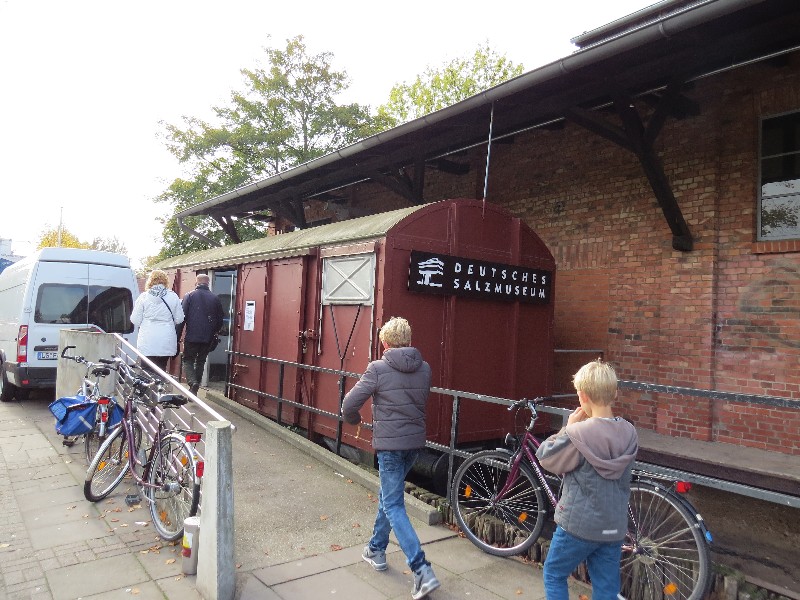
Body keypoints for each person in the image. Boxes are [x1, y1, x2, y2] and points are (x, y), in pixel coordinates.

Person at [342, 317, 441, 600]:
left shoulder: (377, 368)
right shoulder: (425, 369)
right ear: (409, 341)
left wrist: (354, 420)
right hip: (414, 445)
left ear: (385, 342)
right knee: (388, 497)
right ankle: (376, 549)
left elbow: (349, 403)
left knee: (394, 504)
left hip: (390, 447)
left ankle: (421, 569)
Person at [536, 359, 639, 600]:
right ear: (615, 393)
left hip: (577, 526)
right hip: (613, 526)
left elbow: (546, 457)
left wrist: (567, 428)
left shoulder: (578, 433)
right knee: (606, 587)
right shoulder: (630, 432)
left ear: (582, 397)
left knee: (554, 573)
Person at [130, 270, 184, 372]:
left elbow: (135, 320)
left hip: (147, 339)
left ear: (150, 281)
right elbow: (180, 319)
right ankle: (160, 387)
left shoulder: (144, 297)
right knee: (161, 369)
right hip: (166, 339)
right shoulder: (173, 296)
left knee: (146, 370)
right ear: (165, 281)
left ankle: (148, 387)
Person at [179, 273, 224, 395]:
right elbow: (220, 320)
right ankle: (195, 387)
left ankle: (193, 382)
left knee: (187, 360)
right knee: (201, 361)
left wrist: (177, 337)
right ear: (208, 283)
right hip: (207, 338)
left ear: (196, 283)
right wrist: (214, 332)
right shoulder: (215, 298)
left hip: (191, 337)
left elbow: (182, 318)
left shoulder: (189, 296)